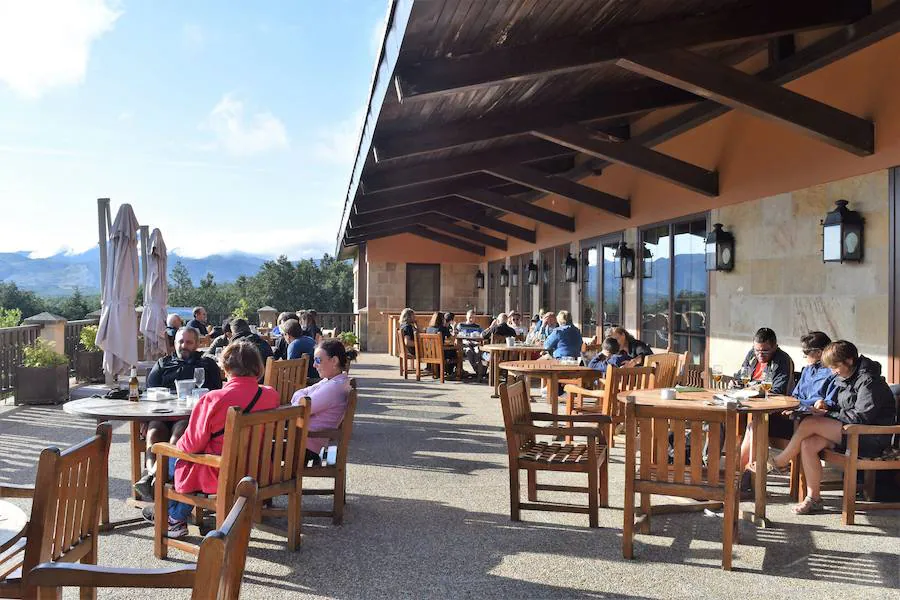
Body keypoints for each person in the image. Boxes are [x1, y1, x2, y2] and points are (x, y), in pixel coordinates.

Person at [141, 340, 280, 538]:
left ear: (226, 368)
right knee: (183, 462)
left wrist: (168, 450)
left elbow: (190, 445)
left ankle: (170, 513)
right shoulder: (271, 395)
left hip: (221, 471)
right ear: (258, 367)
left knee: (169, 460)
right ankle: (171, 512)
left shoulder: (214, 399)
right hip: (258, 467)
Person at [768, 341, 897, 514]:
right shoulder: (846, 376)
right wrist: (827, 407)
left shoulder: (869, 382)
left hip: (870, 438)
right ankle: (813, 498)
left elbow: (862, 416)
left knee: (810, 423)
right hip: (850, 432)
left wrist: (828, 415)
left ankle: (781, 462)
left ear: (849, 360)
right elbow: (844, 406)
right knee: (808, 444)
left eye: (835, 366)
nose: (833, 371)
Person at [134, 327, 223, 500]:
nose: (184, 345)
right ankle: (154, 473)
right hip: (163, 415)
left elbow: (216, 393)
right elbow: (148, 393)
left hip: (191, 418)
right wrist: (144, 420)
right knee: (153, 432)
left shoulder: (206, 364)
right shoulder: (163, 364)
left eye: (189, 342)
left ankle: (155, 479)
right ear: (174, 344)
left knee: (180, 431)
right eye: (180, 342)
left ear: (197, 344)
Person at [739, 331, 836, 477]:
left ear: (819, 352)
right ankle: (741, 474)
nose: (804, 357)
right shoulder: (808, 370)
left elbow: (827, 403)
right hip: (793, 415)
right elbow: (795, 395)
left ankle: (748, 477)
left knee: (757, 426)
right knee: (755, 425)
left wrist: (798, 407)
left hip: (807, 421)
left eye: (806, 353)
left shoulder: (832, 373)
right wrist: (789, 406)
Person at [290, 339, 352, 464]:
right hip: (306, 441)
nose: (314, 365)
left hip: (306, 445)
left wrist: (300, 398)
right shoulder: (332, 381)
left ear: (334, 361)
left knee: (257, 450)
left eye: (318, 360)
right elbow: (300, 394)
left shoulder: (333, 387)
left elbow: (301, 408)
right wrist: (301, 397)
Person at [735, 327, 793, 394]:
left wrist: (756, 389)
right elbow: (741, 375)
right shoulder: (752, 354)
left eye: (765, 351)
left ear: (775, 347)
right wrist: (736, 383)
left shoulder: (782, 360)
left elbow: (779, 390)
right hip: (747, 396)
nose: (760, 355)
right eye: (757, 350)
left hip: (767, 401)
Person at [456, 310, 484, 378]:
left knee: (477, 351)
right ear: (466, 317)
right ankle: (478, 370)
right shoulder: (461, 325)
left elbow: (483, 335)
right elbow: (456, 335)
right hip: (465, 343)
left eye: (473, 317)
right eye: (470, 317)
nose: (471, 319)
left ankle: (479, 372)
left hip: (475, 343)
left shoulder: (477, 326)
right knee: (469, 351)